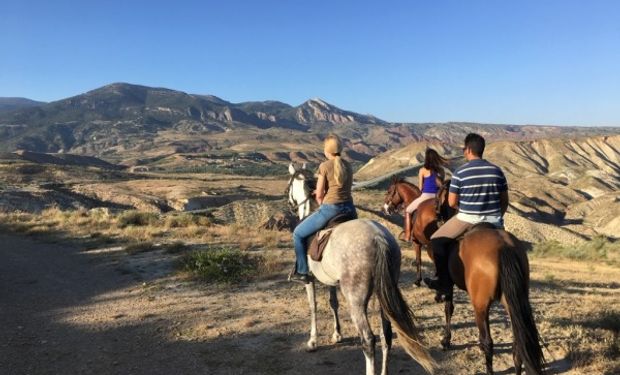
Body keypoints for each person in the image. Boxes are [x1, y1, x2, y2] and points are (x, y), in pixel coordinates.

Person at [424, 133, 509, 297]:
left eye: (464, 149)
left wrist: (464, 208)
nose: (463, 151)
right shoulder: (497, 171)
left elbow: (452, 202)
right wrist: (496, 216)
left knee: (436, 241)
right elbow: (504, 201)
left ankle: (443, 283)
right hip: (495, 220)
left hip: (467, 218)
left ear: (469, 150)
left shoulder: (460, 172)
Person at [289, 134, 357, 283]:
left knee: (298, 234)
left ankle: (302, 271)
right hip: (350, 210)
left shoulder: (324, 166)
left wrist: (321, 199)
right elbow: (340, 186)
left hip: (331, 209)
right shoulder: (348, 165)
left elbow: (319, 195)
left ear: (327, 151)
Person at [401, 148, 447, 242]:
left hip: (426, 196)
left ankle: (407, 235)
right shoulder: (441, 170)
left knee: (408, 210)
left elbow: (420, 187)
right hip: (438, 197)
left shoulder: (422, 170)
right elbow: (441, 185)